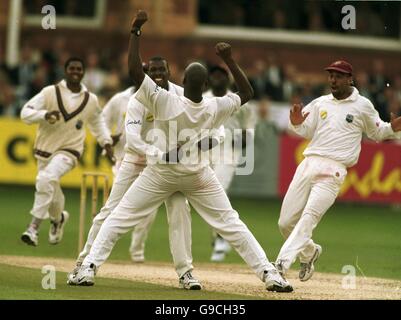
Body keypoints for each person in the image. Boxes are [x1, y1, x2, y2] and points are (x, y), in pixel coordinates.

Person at [73, 10, 293, 293]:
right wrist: (228, 60)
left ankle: (89, 267)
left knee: (120, 218)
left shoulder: (165, 101)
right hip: (198, 176)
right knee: (231, 224)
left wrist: (136, 31)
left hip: (162, 173)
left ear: (182, 82)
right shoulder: (215, 106)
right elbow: (247, 92)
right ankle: (269, 274)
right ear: (205, 86)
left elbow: (133, 71)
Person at [67, 56, 201, 290]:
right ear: (147, 73)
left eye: (162, 69)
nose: (158, 73)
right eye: (153, 70)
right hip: (137, 159)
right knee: (110, 210)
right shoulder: (136, 98)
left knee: (180, 210)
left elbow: (197, 123)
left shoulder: (181, 95)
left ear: (170, 71)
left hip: (169, 165)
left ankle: (186, 273)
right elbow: (133, 139)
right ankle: (83, 263)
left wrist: (184, 149)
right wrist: (157, 154)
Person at [275, 60, 401, 281]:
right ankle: (310, 251)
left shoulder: (362, 105)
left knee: (308, 217)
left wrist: (392, 128)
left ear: (350, 79)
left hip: (333, 170)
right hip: (308, 164)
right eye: (331, 76)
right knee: (285, 223)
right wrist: (296, 124)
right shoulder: (319, 103)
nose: (333, 80)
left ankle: (281, 265)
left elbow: (377, 132)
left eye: (338, 76)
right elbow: (305, 130)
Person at [20, 57, 115, 247]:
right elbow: (25, 113)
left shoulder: (90, 99)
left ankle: (33, 227)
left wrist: (106, 142)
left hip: (70, 150)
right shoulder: (50, 92)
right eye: (72, 68)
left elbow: (97, 122)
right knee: (50, 185)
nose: (76, 72)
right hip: (45, 150)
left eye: (79, 69)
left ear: (84, 72)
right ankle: (58, 219)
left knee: (45, 179)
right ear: (65, 70)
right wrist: (44, 115)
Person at [204, 65, 258, 262]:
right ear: (209, 79)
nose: (218, 79)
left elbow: (249, 129)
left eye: (221, 75)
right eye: (214, 75)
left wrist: (245, 137)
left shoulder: (239, 101)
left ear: (228, 80)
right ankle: (222, 236)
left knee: (216, 189)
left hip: (228, 152)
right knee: (208, 196)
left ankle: (220, 238)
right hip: (205, 152)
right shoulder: (204, 99)